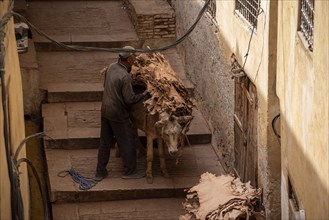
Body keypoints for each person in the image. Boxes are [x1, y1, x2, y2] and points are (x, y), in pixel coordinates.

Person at [95, 46, 148, 181]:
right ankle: (130, 172)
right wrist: (144, 94)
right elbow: (129, 99)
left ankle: (100, 172)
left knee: (105, 142)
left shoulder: (111, 67)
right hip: (117, 112)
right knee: (128, 141)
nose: (135, 59)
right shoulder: (125, 77)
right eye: (134, 57)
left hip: (105, 109)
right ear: (129, 59)